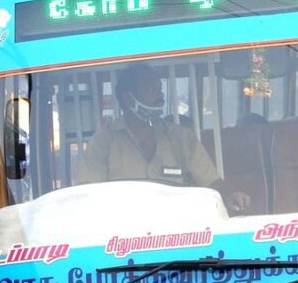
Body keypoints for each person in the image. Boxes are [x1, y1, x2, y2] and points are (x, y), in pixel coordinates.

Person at [78, 64, 249, 212]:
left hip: (176, 235)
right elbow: (87, 196)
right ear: (128, 98)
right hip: (122, 237)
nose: (161, 96)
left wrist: (229, 196)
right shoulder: (103, 143)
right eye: (151, 89)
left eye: (160, 89)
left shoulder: (181, 137)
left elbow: (211, 183)